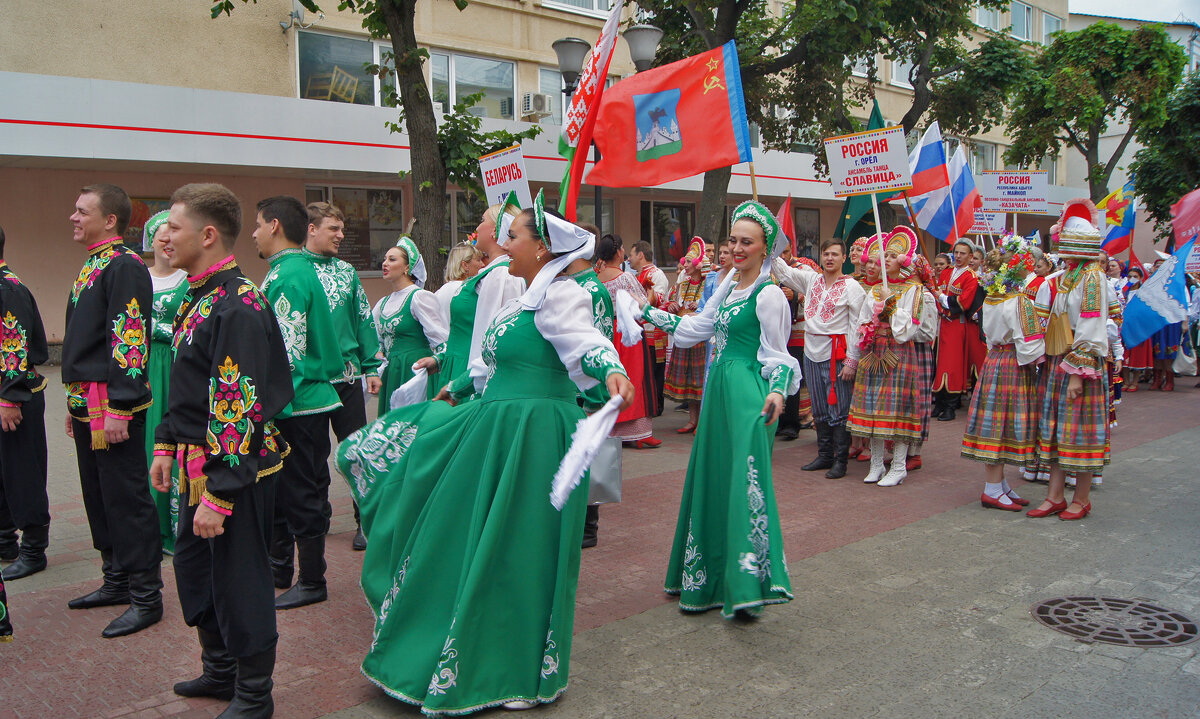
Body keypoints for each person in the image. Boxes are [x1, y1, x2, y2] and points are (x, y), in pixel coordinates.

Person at [336, 195, 632, 713]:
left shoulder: (562, 296)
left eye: (514, 236)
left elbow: (586, 341)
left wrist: (610, 370)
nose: (505, 243)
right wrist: (457, 386)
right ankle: (462, 643)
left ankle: (515, 666)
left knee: (520, 549)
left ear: (541, 248)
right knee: (464, 530)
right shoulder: (520, 297)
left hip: (537, 433)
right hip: (497, 423)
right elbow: (489, 362)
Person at [150, 183, 293, 718]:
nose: (165, 237)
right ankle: (220, 670)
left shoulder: (238, 305)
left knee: (239, 578)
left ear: (207, 236)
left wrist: (221, 494)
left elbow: (237, 405)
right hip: (196, 463)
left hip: (235, 470)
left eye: (175, 227)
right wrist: (166, 441)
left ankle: (255, 693)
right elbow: (188, 387)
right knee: (195, 569)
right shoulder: (201, 295)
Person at [630, 200, 799, 618]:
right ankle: (709, 580)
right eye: (733, 240)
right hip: (718, 391)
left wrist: (777, 392)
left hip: (747, 396)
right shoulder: (727, 288)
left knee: (744, 483)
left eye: (747, 242)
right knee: (712, 480)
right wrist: (643, 312)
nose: (738, 248)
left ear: (765, 249)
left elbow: (777, 356)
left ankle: (747, 587)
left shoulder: (770, 294)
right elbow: (692, 330)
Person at [63, 183, 162, 638]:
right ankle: (115, 580)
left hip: (112, 408)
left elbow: (129, 337)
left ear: (110, 221)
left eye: (83, 211)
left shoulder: (123, 265)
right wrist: (73, 403)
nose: (74, 217)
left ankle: (146, 595)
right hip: (89, 404)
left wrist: (121, 406)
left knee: (126, 499)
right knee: (97, 496)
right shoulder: (94, 263)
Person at [254, 196, 344, 609]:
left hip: (298, 403)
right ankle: (280, 568)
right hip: (302, 399)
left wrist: (268, 408)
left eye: (258, 225)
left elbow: (286, 353)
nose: (253, 233)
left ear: (274, 226)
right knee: (288, 488)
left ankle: (312, 580)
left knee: (300, 491)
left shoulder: (288, 275)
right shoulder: (290, 271)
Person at [303, 202, 382, 551]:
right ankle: (316, 519)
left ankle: (364, 519)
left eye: (341, 228)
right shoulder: (293, 271)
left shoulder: (347, 272)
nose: (341, 235)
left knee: (357, 450)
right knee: (313, 454)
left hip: (349, 379)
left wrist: (370, 366)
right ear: (311, 229)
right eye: (333, 228)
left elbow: (363, 319)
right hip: (311, 382)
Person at [1027, 199, 1111, 521]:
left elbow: (1091, 324)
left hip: (1080, 364)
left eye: (1062, 241)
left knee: (1080, 431)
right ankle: (1055, 496)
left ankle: (1082, 498)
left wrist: (1078, 372)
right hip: (1060, 360)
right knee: (1056, 428)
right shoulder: (1069, 275)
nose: (1058, 246)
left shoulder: (1092, 277)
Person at [960, 237, 1045, 511]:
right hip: (1013, 363)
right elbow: (1029, 343)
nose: (1031, 267)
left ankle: (999, 485)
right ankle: (992, 488)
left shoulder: (993, 297)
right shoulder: (1018, 300)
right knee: (1002, 424)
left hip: (995, 359)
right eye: (1027, 263)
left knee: (996, 421)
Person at [772, 238, 867, 479]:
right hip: (811, 351)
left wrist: (852, 360)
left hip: (837, 353)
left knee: (839, 408)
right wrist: (768, 242)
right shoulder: (811, 279)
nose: (830, 258)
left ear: (844, 258)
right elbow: (783, 269)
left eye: (835, 254)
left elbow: (857, 325)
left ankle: (840, 460)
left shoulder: (852, 287)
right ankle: (824, 454)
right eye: (826, 254)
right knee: (819, 407)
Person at [847, 228, 926, 488]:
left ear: (903, 260)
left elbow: (910, 328)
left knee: (897, 408)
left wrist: (889, 303)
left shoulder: (914, 290)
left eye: (893, 255)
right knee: (873, 407)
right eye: (885, 255)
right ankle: (877, 462)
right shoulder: (876, 288)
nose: (888, 259)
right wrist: (858, 349)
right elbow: (864, 320)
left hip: (899, 351)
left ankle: (899, 465)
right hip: (875, 349)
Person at [422, 200, 526, 398]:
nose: (477, 226)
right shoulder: (491, 273)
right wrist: (441, 359)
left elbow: (493, 338)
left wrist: (466, 383)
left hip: (472, 374)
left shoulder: (501, 275)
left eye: (482, 220)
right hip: (460, 366)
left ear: (495, 230)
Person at [0, 224, 51, 581]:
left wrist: (10, 396)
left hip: (15, 395)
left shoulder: (8, 288)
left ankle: (34, 548)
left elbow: (15, 344)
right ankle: (5, 540)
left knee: (23, 474)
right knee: (3, 475)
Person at [143, 211, 188, 555]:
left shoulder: (189, 281)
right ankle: (150, 526)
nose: (166, 239)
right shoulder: (137, 279)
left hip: (177, 366)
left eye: (171, 233)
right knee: (147, 441)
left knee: (175, 438)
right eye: (159, 234)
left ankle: (177, 526)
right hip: (144, 369)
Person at [595, 234, 660, 449]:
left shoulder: (596, 278)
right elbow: (639, 307)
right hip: (626, 332)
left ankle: (611, 428)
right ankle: (637, 433)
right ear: (618, 252)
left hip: (605, 332)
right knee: (635, 378)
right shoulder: (625, 278)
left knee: (609, 380)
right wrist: (650, 296)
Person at [373, 239, 447, 415]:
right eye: (384, 259)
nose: (385, 263)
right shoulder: (382, 303)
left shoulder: (419, 297)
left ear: (407, 267)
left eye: (392, 259)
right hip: (392, 372)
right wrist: (378, 352)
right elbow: (376, 339)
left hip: (415, 372)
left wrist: (438, 361)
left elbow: (442, 339)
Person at [663, 238, 710, 434]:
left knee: (700, 381)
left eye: (689, 262)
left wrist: (699, 309)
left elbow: (711, 307)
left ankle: (703, 422)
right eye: (686, 262)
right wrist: (672, 307)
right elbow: (671, 303)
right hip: (684, 336)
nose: (685, 265)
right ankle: (692, 420)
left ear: (699, 264)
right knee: (689, 380)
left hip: (701, 340)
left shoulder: (709, 284)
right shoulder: (681, 285)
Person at [932, 239, 982, 421]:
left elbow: (964, 302)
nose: (959, 256)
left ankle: (951, 405)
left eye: (963, 253)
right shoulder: (946, 272)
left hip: (956, 324)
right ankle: (939, 402)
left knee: (951, 364)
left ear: (970, 256)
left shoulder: (971, 277)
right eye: (957, 252)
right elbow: (935, 291)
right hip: (941, 323)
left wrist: (942, 298)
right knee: (938, 364)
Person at [774, 251, 818, 441]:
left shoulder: (803, 270)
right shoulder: (769, 270)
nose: (782, 256)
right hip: (776, 331)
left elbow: (815, 296)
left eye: (785, 251)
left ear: (791, 251)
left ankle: (792, 423)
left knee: (794, 375)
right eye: (779, 252)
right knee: (776, 374)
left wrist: (796, 295)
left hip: (797, 330)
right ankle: (778, 420)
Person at [630, 240, 669, 415]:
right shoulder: (638, 275)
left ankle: (656, 405)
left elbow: (658, 300)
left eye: (631, 255)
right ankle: (648, 403)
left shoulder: (656, 274)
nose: (629, 259)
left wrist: (642, 297)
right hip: (642, 330)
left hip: (654, 330)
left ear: (640, 255)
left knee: (655, 370)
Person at [433, 241, 485, 325]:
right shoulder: (471, 291)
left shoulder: (440, 292)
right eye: (478, 260)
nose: (482, 264)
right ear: (465, 265)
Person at [1121, 266, 1152, 390]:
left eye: (1135, 277)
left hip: (1139, 327)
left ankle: (1135, 381)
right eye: (1129, 276)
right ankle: (1126, 381)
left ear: (1140, 279)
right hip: (1124, 327)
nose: (1132, 279)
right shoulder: (1123, 292)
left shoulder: (1144, 293)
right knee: (1125, 354)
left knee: (1137, 354)